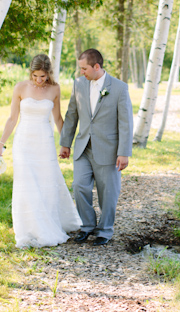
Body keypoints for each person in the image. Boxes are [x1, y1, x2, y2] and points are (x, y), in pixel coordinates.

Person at [0, 54, 81, 248]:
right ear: (31, 72)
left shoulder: (54, 89)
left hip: (44, 141)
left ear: (48, 73)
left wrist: (65, 143)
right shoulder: (20, 88)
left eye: (43, 76)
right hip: (23, 142)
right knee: (25, 183)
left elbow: (58, 118)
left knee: (46, 182)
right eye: (35, 76)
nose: (39, 80)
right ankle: (28, 228)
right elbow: (12, 119)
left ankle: (47, 223)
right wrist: (1, 144)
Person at [59, 49, 133, 246]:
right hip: (83, 147)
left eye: (84, 68)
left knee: (108, 193)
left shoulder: (119, 88)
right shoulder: (79, 84)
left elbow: (126, 122)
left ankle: (105, 230)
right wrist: (65, 143)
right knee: (79, 186)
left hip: (108, 150)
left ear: (96, 67)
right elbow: (72, 114)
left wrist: (124, 153)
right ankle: (87, 226)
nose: (81, 72)